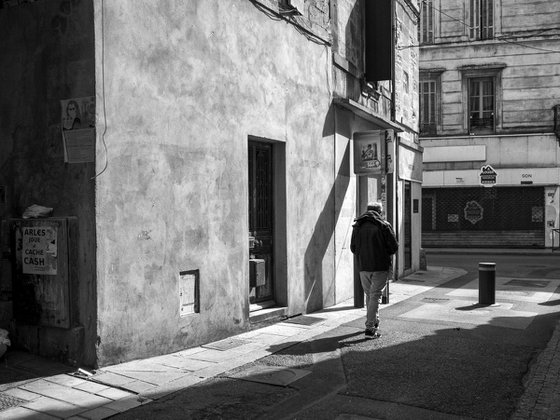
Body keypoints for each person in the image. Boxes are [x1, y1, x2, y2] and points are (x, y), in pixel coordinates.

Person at [350, 202, 398, 339]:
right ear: (380, 212)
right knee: (375, 296)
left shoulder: (357, 225)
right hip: (380, 266)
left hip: (363, 266)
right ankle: (370, 328)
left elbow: (353, 248)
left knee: (370, 296)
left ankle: (374, 322)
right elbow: (393, 247)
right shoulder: (384, 225)